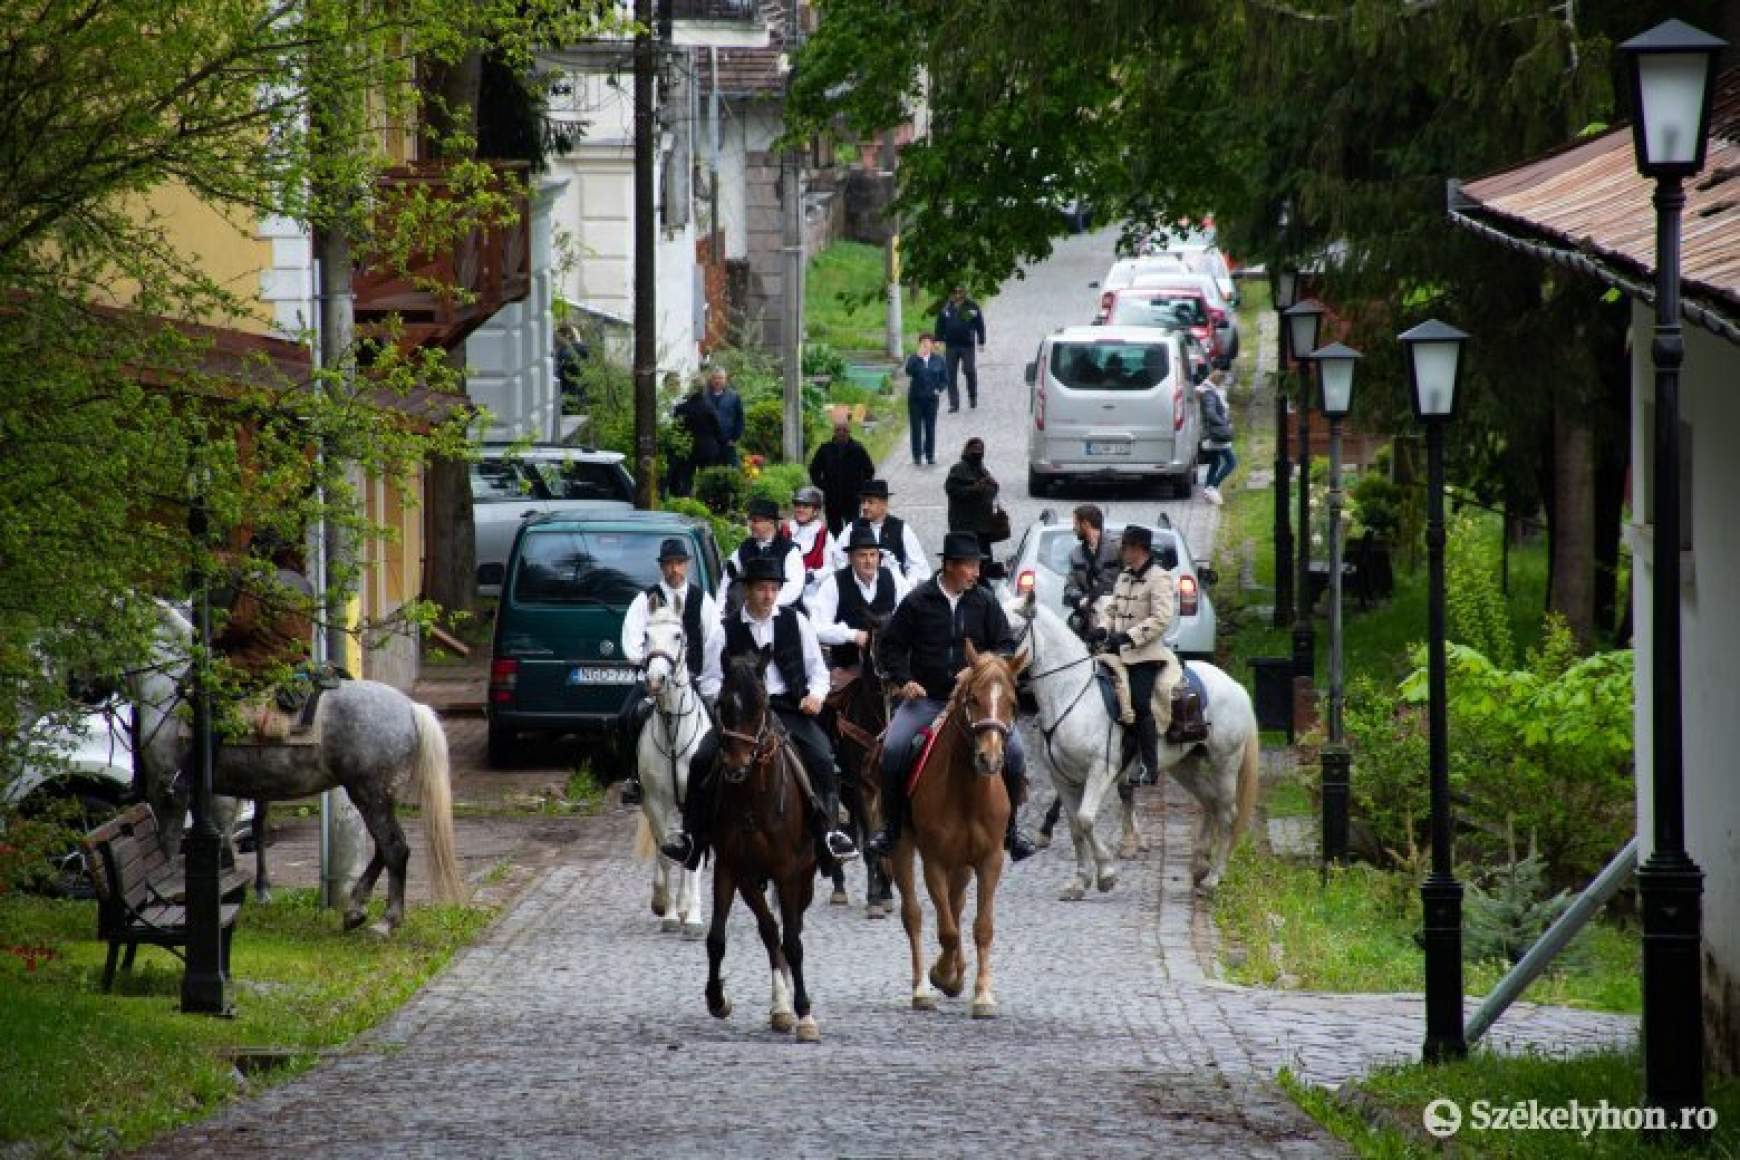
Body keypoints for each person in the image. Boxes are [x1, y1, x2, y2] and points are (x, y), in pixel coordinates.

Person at [661, 556, 859, 870]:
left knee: (822, 757)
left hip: (788, 707)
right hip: (741, 718)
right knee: (701, 759)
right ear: (748, 590)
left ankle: (830, 833)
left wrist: (816, 696)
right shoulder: (725, 631)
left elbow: (818, 671)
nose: (768, 595)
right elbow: (710, 680)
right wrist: (727, 704)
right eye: (762, 589)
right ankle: (692, 838)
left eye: (773, 588)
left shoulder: (796, 622)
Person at [866, 531, 1036, 861]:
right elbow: (892, 647)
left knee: (1014, 753)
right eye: (970, 566)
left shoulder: (984, 600)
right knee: (893, 749)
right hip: (927, 699)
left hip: (978, 704)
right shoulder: (917, 601)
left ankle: (1012, 830)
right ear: (949, 566)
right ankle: (892, 828)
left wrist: (980, 667)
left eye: (976, 566)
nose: (975, 573)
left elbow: (1005, 646)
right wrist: (904, 680)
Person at [615, 537, 722, 806]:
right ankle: (634, 779)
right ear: (662, 567)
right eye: (669, 564)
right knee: (626, 717)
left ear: (687, 565)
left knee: (719, 721)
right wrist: (649, 667)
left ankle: (719, 777)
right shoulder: (646, 599)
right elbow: (631, 639)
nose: (674, 569)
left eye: (679, 563)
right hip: (653, 678)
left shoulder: (701, 599)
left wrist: (707, 678)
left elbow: (714, 640)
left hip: (692, 680)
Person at [1087, 524, 1179, 784]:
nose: (1121, 551)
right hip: (1116, 652)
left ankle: (1150, 766)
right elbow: (1112, 609)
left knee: (1140, 703)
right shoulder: (1124, 576)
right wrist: (1102, 630)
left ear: (1138, 549)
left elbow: (1161, 618)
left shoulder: (1160, 578)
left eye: (1125, 546)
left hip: (1145, 654)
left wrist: (1129, 637)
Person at [810, 523, 911, 673]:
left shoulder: (894, 578)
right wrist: (853, 635)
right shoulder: (833, 584)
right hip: (848, 667)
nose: (869, 561)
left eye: (873, 554)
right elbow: (816, 627)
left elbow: (911, 614)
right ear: (850, 558)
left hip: (890, 664)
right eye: (862, 555)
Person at [827, 479, 930, 584]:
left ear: (884, 504)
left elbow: (918, 565)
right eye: (863, 502)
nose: (865, 506)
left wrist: (906, 586)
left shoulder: (901, 528)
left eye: (870, 502)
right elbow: (837, 557)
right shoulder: (853, 527)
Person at [717, 497, 805, 614]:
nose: (751, 525)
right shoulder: (744, 549)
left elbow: (794, 588)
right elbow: (727, 583)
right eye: (750, 520)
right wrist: (719, 612)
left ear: (771, 522)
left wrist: (767, 606)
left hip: (782, 614)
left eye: (755, 521)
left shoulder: (790, 551)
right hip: (749, 615)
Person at [808, 419, 876, 536]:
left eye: (844, 430)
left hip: (852, 499)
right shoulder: (825, 449)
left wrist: (861, 488)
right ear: (834, 432)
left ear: (849, 431)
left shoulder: (857, 449)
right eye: (838, 430)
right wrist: (824, 486)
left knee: (852, 529)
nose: (841, 433)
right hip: (832, 498)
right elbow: (814, 470)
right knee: (834, 532)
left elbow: (869, 470)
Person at [1063, 504, 1121, 636]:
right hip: (1088, 617)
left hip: (1116, 617)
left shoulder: (1117, 547)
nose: (1073, 529)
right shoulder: (1075, 554)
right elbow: (1070, 585)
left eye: (1076, 524)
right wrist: (1078, 598)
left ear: (1085, 524)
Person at [944, 436, 1001, 564]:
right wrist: (974, 489)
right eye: (974, 450)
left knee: (984, 558)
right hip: (964, 525)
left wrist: (992, 485)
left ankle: (984, 576)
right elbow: (952, 490)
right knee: (967, 559)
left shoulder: (982, 469)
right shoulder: (958, 469)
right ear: (967, 451)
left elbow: (993, 490)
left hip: (982, 526)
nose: (978, 454)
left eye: (980, 450)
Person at [934, 285, 987, 412]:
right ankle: (954, 403)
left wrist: (981, 341)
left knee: (969, 370)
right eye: (955, 292)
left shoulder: (972, 306)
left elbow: (979, 324)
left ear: (964, 293)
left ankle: (972, 396)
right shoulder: (946, 308)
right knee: (950, 374)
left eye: (960, 292)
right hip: (951, 346)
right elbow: (940, 324)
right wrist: (938, 340)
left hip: (967, 345)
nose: (957, 295)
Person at [670, 381, 725, 498]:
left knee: (686, 477)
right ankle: (706, 500)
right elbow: (717, 429)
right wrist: (721, 443)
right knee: (707, 478)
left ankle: (684, 499)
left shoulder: (681, 408)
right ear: (703, 391)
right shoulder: (709, 408)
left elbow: (675, 429)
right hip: (708, 448)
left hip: (688, 447)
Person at [903, 333, 946, 466]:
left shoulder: (938, 360)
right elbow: (909, 371)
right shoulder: (913, 358)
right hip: (915, 399)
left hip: (931, 400)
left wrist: (938, 389)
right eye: (923, 343)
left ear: (933, 345)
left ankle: (930, 455)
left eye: (928, 342)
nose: (926, 345)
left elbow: (945, 379)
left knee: (930, 427)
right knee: (916, 428)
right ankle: (917, 455)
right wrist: (917, 357)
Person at [786, 486, 832, 609]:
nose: (800, 509)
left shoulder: (824, 535)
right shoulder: (785, 531)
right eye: (797, 505)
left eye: (805, 506)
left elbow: (832, 566)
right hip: (784, 588)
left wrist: (813, 576)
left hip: (811, 591)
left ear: (816, 511)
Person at [1198, 366, 1237, 505]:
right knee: (1231, 462)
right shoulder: (1210, 393)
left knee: (1215, 462)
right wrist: (1223, 424)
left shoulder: (1207, 390)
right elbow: (1211, 413)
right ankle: (1212, 487)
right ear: (1218, 381)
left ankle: (1208, 491)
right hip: (1216, 434)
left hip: (1212, 433)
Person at [703, 367, 745, 466]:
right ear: (711, 380)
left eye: (720, 378)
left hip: (728, 442)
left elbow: (740, 419)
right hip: (710, 443)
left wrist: (734, 439)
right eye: (715, 378)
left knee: (732, 470)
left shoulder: (734, 396)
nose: (717, 381)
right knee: (710, 471)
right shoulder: (704, 397)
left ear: (725, 380)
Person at [554, 323, 590, 407]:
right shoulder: (585, 350)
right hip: (581, 399)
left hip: (567, 400)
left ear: (567, 336)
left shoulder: (564, 352)